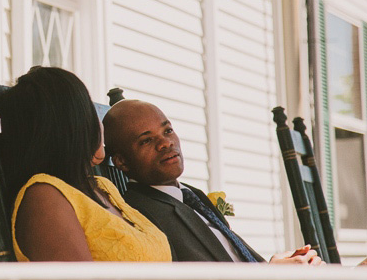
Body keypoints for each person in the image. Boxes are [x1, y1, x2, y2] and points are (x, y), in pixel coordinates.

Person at [103, 99, 324, 265]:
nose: (165, 143)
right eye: (147, 140)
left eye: (168, 130)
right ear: (121, 161)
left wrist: (282, 265)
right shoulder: (140, 216)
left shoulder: (191, 196)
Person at [0, 67, 171, 262]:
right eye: (89, 110)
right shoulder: (44, 197)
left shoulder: (102, 186)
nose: (99, 123)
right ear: (74, 124)